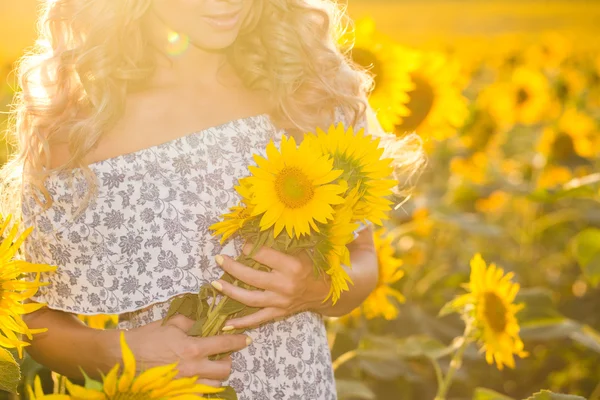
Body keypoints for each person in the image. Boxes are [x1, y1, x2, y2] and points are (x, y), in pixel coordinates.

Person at [0, 0, 419, 399]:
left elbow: (364, 257)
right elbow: (28, 312)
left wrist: (317, 288)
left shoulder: (306, 92)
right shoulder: (83, 128)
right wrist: (119, 356)